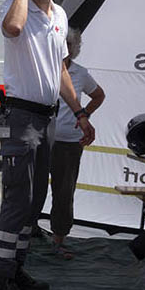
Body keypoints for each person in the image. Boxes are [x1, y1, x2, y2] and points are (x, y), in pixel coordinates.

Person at [0, 0, 95, 290]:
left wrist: (79, 112)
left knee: (34, 203)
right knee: (17, 199)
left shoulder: (60, 14)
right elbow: (13, 29)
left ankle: (15, 270)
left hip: (48, 118)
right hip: (21, 115)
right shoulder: (17, 4)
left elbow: (60, 69)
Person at [47, 27, 105, 259]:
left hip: (69, 143)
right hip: (42, 139)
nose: (66, 49)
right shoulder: (45, 69)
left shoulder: (81, 73)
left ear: (75, 49)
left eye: (69, 46)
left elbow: (99, 95)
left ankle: (59, 240)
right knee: (33, 188)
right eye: (62, 44)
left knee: (63, 192)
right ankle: (26, 235)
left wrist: (84, 115)